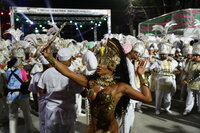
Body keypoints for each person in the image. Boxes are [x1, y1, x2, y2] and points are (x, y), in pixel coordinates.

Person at [42, 38, 152, 133]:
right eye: (98, 61)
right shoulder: (91, 82)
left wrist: (141, 75)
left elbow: (147, 98)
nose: (98, 65)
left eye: (102, 62)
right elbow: (67, 72)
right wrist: (48, 57)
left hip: (108, 130)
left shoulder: (120, 87)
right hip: (92, 128)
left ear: (112, 65)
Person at [38, 48, 85, 133]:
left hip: (51, 111)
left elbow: (41, 91)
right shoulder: (74, 74)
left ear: (57, 58)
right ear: (70, 59)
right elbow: (83, 92)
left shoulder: (47, 72)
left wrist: (51, 93)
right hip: (68, 111)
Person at [5, 57, 35, 133]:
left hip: (11, 96)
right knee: (27, 114)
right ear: (18, 64)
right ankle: (30, 130)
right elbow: (25, 81)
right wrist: (29, 78)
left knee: (12, 116)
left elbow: (7, 81)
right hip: (22, 95)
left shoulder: (7, 72)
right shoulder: (22, 71)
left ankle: (12, 131)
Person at [150, 43, 178, 115]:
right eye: (161, 54)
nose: (162, 55)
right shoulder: (157, 61)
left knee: (167, 97)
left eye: (164, 54)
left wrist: (176, 71)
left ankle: (167, 108)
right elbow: (151, 68)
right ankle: (157, 109)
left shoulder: (172, 61)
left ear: (167, 54)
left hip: (169, 81)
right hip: (160, 81)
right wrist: (154, 69)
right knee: (158, 96)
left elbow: (175, 68)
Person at [182, 43, 200, 115]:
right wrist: (184, 79)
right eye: (194, 55)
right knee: (190, 97)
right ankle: (187, 109)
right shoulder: (190, 63)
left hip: (199, 83)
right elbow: (185, 72)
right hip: (190, 83)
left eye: (197, 55)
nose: (195, 57)